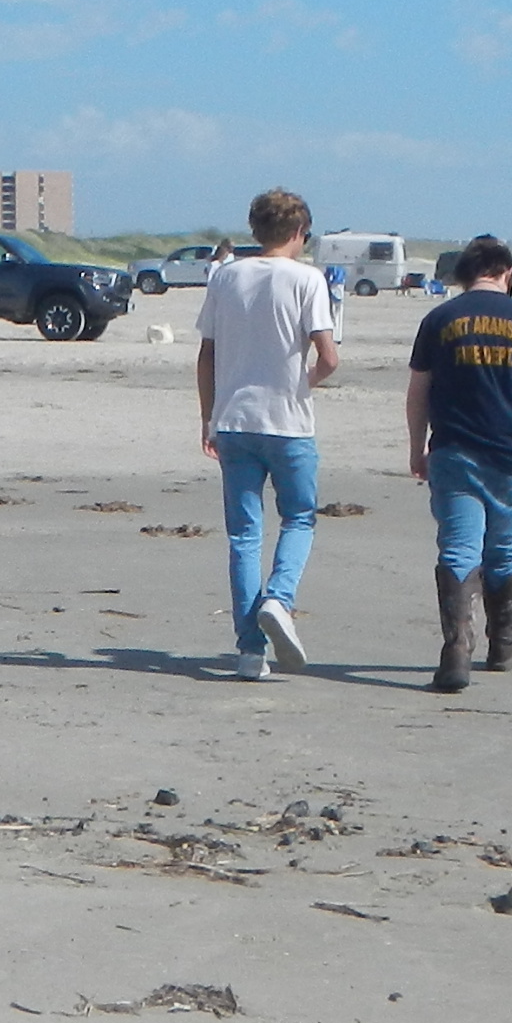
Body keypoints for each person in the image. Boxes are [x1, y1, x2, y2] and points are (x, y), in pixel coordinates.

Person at [401, 233, 512, 693]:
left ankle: (457, 650)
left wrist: (416, 449)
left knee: (458, 548)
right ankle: (503, 641)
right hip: (510, 453)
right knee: (504, 548)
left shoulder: (439, 319)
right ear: (507, 273)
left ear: (464, 275)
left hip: (453, 450)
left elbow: (418, 393)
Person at [195, 188, 337, 682]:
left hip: (234, 420)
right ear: (298, 232)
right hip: (288, 422)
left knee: (243, 535)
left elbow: (207, 355)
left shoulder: (226, 275)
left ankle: (249, 651)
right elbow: (329, 357)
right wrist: (303, 383)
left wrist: (208, 417)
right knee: (298, 517)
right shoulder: (307, 279)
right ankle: (279, 598)